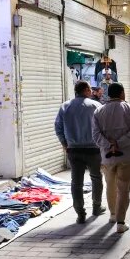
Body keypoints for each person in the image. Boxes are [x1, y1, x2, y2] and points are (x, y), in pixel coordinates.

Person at [91, 83, 130, 233]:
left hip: (107, 157)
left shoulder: (98, 111)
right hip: (127, 156)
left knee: (110, 186)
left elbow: (95, 135)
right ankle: (120, 222)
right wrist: (119, 144)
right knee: (123, 188)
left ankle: (113, 215)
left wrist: (109, 144)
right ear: (122, 93)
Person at [55, 81, 106, 224]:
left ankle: (80, 213)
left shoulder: (65, 106)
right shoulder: (96, 106)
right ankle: (97, 207)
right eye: (90, 88)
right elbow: (104, 128)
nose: (91, 91)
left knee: (76, 182)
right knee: (96, 178)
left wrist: (65, 144)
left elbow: (58, 127)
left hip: (74, 150)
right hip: (93, 150)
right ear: (85, 90)